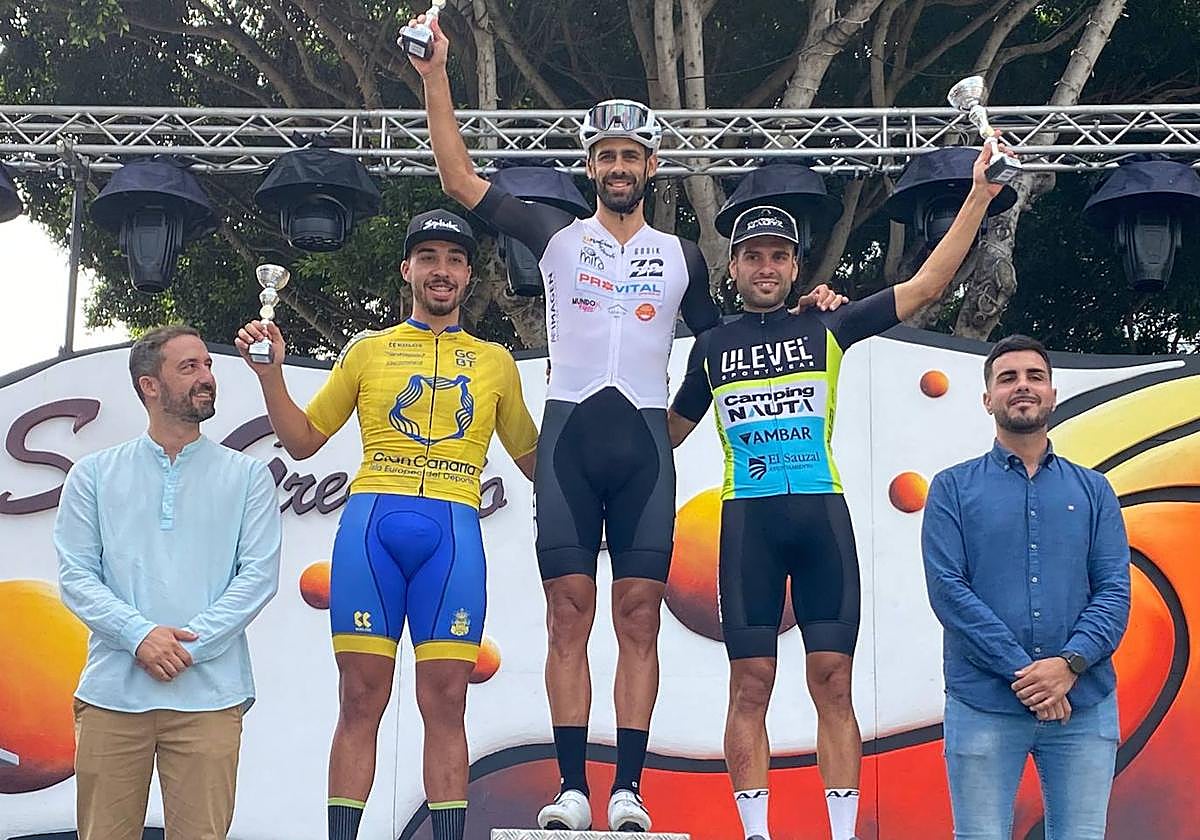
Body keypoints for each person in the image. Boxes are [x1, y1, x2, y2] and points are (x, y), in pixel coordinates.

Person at [405, 14, 845, 832]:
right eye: (606, 156)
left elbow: (725, 347)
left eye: (630, 156)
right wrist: (435, 77)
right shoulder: (553, 235)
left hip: (643, 449)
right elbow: (460, 179)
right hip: (569, 443)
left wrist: (805, 313)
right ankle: (573, 788)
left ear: (651, 166)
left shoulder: (682, 256)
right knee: (567, 614)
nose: (617, 167)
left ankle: (629, 790)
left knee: (639, 617)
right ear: (589, 167)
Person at [666, 143, 1010, 840]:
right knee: (750, 684)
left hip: (821, 518)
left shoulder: (827, 324)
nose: (766, 267)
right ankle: (755, 833)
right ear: (733, 269)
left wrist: (978, 194)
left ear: (796, 267)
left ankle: (843, 831)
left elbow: (927, 287)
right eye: (752, 256)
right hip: (748, 527)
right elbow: (663, 436)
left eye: (778, 256)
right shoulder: (710, 348)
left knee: (832, 680)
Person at [236, 209, 538, 840]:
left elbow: (537, 463)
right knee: (359, 697)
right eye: (428, 258)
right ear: (407, 270)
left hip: (452, 536)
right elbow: (303, 441)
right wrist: (270, 376)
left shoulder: (495, 362)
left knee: (447, 701)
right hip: (372, 529)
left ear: (468, 275)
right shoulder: (367, 350)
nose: (442, 270)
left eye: (454, 260)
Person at [55, 324, 281, 840]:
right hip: (113, 697)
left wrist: (184, 649)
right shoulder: (93, 475)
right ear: (149, 386)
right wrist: (139, 636)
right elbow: (76, 576)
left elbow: (258, 577)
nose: (207, 377)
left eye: (208, 365)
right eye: (189, 367)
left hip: (210, 698)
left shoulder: (247, 477)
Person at [921, 334, 1130, 840]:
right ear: (987, 398)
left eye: (1035, 376)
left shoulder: (1094, 491)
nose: (1022, 386)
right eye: (1007, 378)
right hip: (983, 703)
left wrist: (1068, 665)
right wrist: (1031, 675)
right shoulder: (952, 488)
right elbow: (949, 591)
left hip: (1083, 703)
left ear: (1052, 394)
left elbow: (1114, 591)